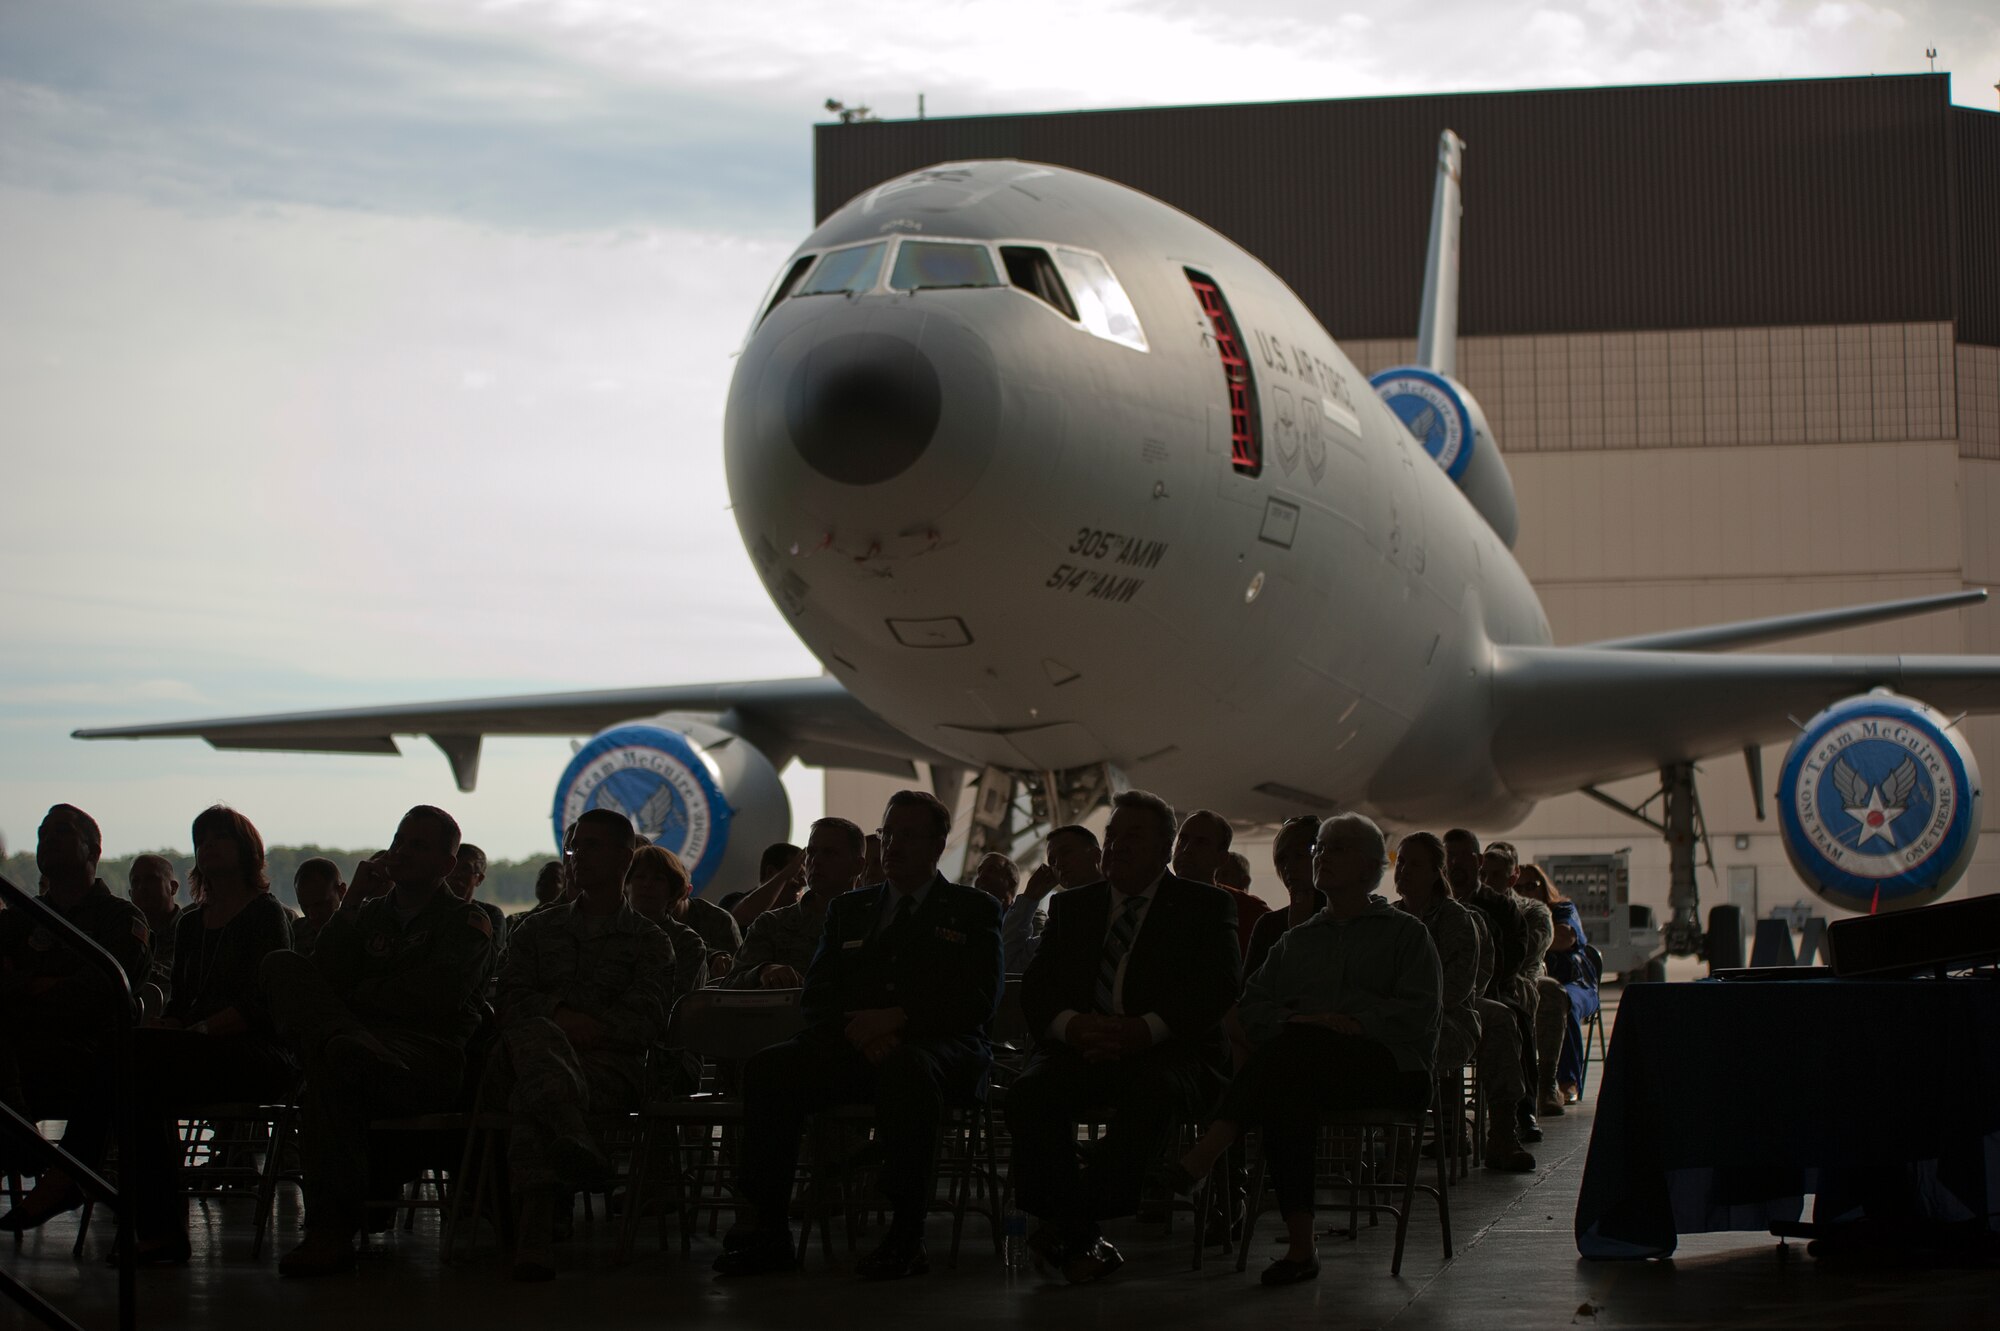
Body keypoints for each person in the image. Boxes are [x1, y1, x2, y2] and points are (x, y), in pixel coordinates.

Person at [715, 790, 1002, 1281]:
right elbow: (819, 994)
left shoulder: (971, 908)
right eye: (888, 834)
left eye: (908, 836)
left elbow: (976, 1000)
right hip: (854, 1043)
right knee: (769, 1069)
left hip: (939, 1049)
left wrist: (900, 1018)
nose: (892, 846)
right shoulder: (850, 908)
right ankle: (768, 1231)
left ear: (938, 845)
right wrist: (864, 1030)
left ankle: (905, 1235)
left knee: (907, 1069)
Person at [1169, 814, 1440, 1286]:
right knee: (1287, 1087)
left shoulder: (1404, 934)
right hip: (1307, 1070)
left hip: (1392, 1066)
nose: (1320, 857)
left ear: (1369, 866)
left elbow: (1420, 1013)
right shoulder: (1298, 940)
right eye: (1320, 849)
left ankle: (1210, 1150)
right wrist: (1301, 1021)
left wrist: (1350, 1024)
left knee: (1293, 1058)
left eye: (1335, 849)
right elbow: (1251, 1008)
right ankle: (1300, 1248)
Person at [41, 806, 298, 1260]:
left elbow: (265, 1003)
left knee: (129, 1059)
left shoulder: (265, 912)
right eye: (202, 838)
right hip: (199, 1049)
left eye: (221, 837)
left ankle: (77, 1172)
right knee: (134, 1077)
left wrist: (198, 1029)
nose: (209, 845)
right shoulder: (192, 923)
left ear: (245, 850)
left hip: (257, 1051)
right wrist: (173, 1025)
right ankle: (156, 1228)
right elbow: (182, 1005)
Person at [1007, 790, 1241, 1284]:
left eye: (1133, 835)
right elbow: (1039, 988)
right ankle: (1078, 1232)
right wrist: (1070, 1025)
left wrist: (1145, 1029)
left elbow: (1217, 987)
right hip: (1081, 1044)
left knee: (1151, 1095)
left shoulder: (1204, 905)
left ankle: (1068, 1227)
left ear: (1164, 847)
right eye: (1112, 834)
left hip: (1167, 1049)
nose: (1116, 845)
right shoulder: (1073, 906)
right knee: (1029, 1093)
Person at [260, 805, 493, 1277]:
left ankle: (329, 1233)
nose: (401, 852)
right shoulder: (366, 917)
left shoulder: (468, 921)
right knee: (280, 967)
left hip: (425, 1058)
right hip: (358, 1048)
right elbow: (320, 974)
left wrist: (357, 1002)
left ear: (447, 865)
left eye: (418, 845)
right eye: (399, 840)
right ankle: (350, 1040)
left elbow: (435, 996)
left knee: (332, 1059)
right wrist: (350, 905)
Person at [489, 807, 677, 1280]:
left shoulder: (650, 940)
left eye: (591, 845)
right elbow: (507, 1000)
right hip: (543, 1059)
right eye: (573, 846)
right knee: (536, 1044)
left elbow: (647, 1020)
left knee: (533, 1090)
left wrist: (571, 1026)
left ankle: (535, 1234)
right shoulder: (535, 929)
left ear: (624, 857)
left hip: (610, 1068)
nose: (577, 856)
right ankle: (569, 1135)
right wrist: (561, 1019)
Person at [0, 805, 153, 1231]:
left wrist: (25, 986)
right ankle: (29, 1148)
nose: (46, 839)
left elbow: (104, 991)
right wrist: (47, 983)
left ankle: (35, 1153)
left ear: (93, 849)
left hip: (85, 1060)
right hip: (20, 1060)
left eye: (61, 831)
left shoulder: (121, 919)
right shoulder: (16, 920)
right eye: (41, 832)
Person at [1442, 829, 1538, 1166]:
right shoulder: (1425, 909)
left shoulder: (1499, 908)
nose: (1455, 865)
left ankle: (1509, 1123)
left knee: (1508, 1019)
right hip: (1437, 1001)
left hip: (1491, 990)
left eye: (1462, 856)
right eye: (1448, 857)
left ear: (1478, 861)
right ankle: (1446, 1130)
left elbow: (1513, 956)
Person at [723, 818, 865, 989]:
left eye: (829, 852)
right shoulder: (772, 924)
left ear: (857, 865)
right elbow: (729, 985)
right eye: (811, 852)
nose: (816, 861)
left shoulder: (876, 921)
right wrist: (763, 971)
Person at [1513, 864, 1600, 1109]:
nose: (1525, 892)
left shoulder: (1561, 909)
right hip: (1533, 983)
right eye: (1518, 888)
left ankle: (1566, 1082)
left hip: (1574, 983)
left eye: (1531, 886)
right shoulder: (1513, 911)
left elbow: (1565, 937)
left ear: (1544, 886)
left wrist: (1530, 935)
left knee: (1563, 1001)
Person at [1001, 825, 1101, 974]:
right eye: (1052, 861)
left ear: (1096, 855)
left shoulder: (1125, 898)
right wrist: (1029, 898)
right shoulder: (1062, 918)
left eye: (1066, 852)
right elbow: (1009, 965)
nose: (1059, 864)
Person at [1174, 809, 1269, 956]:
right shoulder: (1150, 900)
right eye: (1182, 839)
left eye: (1201, 842)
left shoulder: (1249, 911)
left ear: (1221, 858)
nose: (1186, 849)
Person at [1243, 816, 1325, 980]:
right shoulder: (1269, 925)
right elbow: (1249, 995)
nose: (1288, 867)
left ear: (1320, 857)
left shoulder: (1344, 917)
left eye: (1299, 856)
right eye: (1282, 859)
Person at [625, 847, 710, 1001]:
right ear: (626, 885)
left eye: (658, 879)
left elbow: (681, 1004)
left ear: (672, 889)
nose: (647, 884)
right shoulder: (607, 929)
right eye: (640, 877)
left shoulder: (688, 943)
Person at [447, 843, 510, 981]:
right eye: (453, 867)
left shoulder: (490, 915)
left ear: (479, 879)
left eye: (465, 869)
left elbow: (490, 960)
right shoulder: (429, 910)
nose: (457, 874)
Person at [127, 853, 182, 998]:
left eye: (151, 879)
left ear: (173, 887)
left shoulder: (192, 930)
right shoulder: (126, 934)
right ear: (130, 893)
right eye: (135, 882)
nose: (142, 887)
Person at [727, 842, 807, 930]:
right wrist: (785, 875)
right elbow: (740, 919)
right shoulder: (732, 901)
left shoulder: (801, 918)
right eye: (796, 873)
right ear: (771, 872)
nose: (803, 883)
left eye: (805, 876)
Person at [290, 858, 346, 958]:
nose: (312, 915)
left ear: (341, 891)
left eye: (319, 904)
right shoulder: (296, 932)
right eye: (305, 906)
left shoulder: (358, 929)